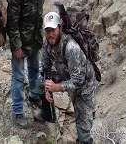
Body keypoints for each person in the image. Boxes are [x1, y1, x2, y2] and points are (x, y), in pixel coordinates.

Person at [6, 0, 62, 127]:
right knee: (17, 75)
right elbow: (12, 21)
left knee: (34, 69)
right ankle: (17, 111)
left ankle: (34, 95)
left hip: (35, 38)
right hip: (21, 42)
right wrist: (16, 46)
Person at [35, 11, 97, 144]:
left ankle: (84, 139)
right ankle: (48, 115)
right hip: (65, 73)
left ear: (60, 28)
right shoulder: (47, 44)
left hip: (84, 86)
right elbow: (44, 69)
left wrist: (56, 87)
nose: (50, 34)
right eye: (47, 30)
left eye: (53, 30)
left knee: (83, 129)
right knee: (39, 83)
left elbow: (78, 82)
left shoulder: (71, 48)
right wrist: (47, 88)